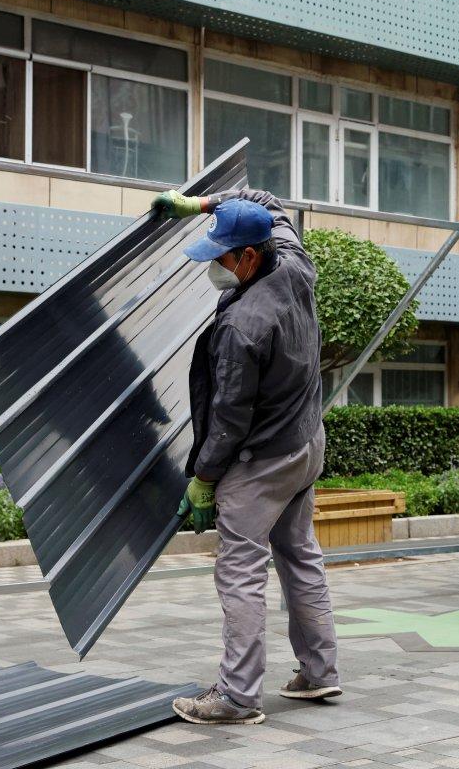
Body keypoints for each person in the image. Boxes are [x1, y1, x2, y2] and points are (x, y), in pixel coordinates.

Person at [152, 187, 340, 726]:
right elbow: (267, 199)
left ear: (250, 257)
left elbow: (229, 419)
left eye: (222, 255)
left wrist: (204, 478)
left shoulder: (243, 326)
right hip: (305, 444)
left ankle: (237, 697)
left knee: (240, 570)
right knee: (299, 555)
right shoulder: (295, 262)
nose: (213, 264)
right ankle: (319, 672)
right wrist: (201, 205)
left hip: (263, 461)